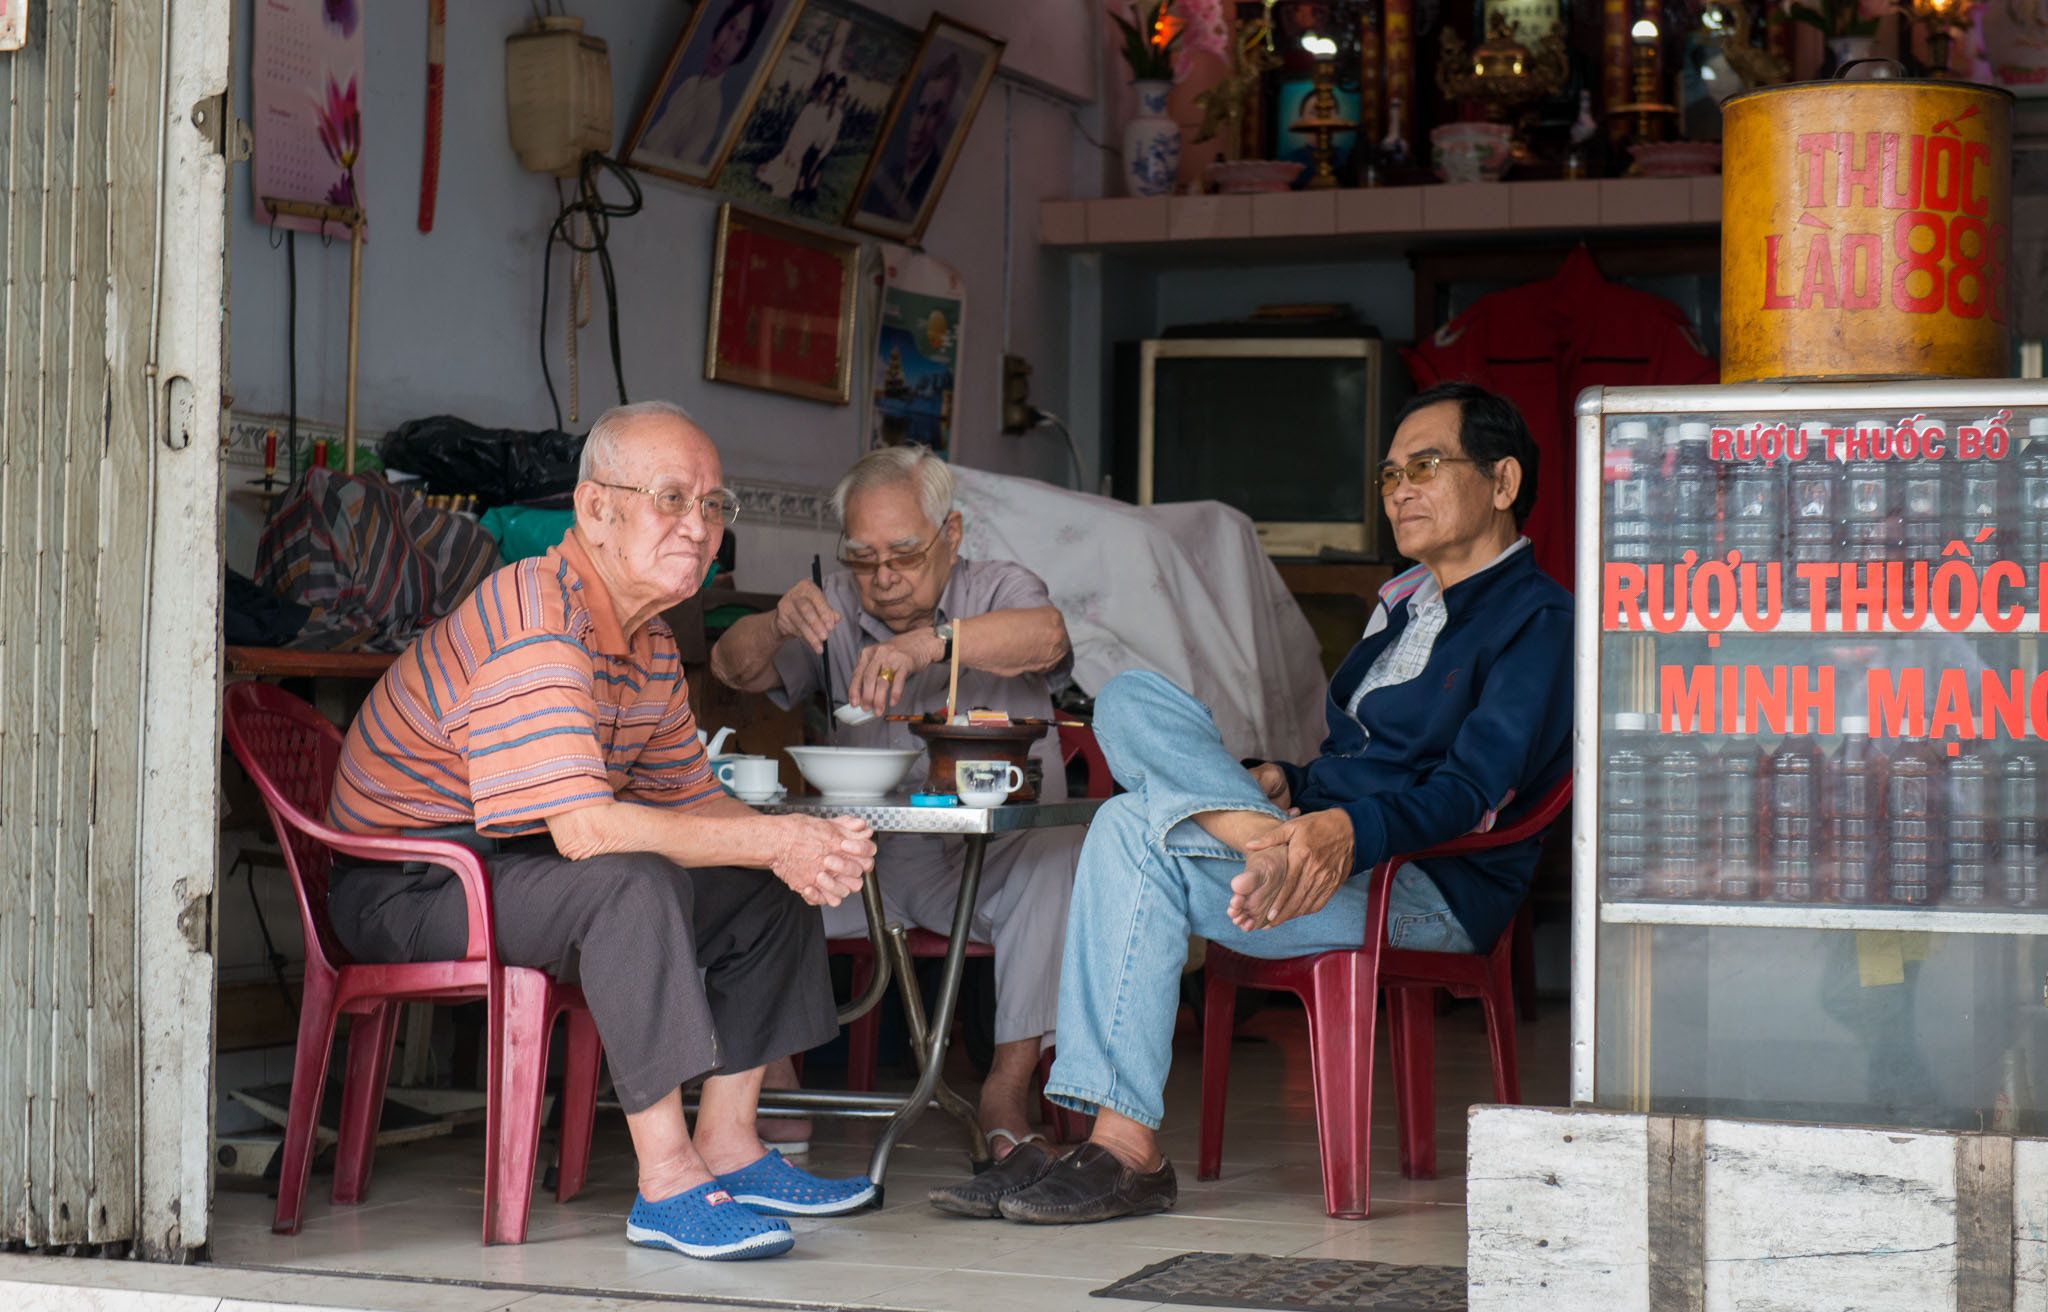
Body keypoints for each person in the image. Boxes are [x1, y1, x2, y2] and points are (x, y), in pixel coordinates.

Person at [951, 381, 1573, 1224]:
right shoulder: (1401, 605)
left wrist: (1345, 829)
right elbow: (1356, 760)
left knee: (1128, 824)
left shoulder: (1539, 620)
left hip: (1422, 885)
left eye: (1425, 466)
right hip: (1312, 854)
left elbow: (1472, 795)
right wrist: (1290, 784)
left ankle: (1125, 1149)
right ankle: (1259, 838)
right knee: (1129, 696)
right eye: (1390, 474)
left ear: (1502, 481)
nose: (1400, 490)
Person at [325, 401, 882, 1261]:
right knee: (634, 883)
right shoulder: (537, 614)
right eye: (672, 498)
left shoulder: (648, 644)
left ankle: (731, 1144)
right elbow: (587, 830)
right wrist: (777, 840)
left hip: (518, 862)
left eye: (713, 505)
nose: (699, 527)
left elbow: (694, 800)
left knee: (766, 886)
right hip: (411, 882)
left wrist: (805, 848)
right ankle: (666, 1181)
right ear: (594, 509)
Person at [709, 446, 1084, 1166]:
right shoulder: (836, 607)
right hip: (867, 862)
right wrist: (778, 621)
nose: (882, 578)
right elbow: (731, 667)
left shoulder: (999, 586)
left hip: (989, 863)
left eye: (904, 555)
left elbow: (1049, 637)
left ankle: (1005, 1094)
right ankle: (776, 1086)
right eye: (863, 558)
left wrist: (929, 644)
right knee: (742, 875)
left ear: (952, 533)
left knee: (1057, 861)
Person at [644, 0, 776, 170]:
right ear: (722, 24)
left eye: (739, 38)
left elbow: (681, 167)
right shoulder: (689, 84)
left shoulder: (711, 108)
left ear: (742, 50)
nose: (725, 45)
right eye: (730, 27)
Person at [858, 52, 962, 224]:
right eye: (921, 110)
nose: (921, 127)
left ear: (943, 118)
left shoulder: (938, 184)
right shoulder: (888, 176)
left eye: (934, 113)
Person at [758, 72, 844, 203]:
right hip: (794, 144)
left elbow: (817, 140)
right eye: (824, 89)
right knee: (770, 171)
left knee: (786, 183)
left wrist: (801, 155)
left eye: (828, 92)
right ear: (820, 89)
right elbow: (795, 130)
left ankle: (797, 182)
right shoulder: (809, 107)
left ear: (831, 96)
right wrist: (789, 149)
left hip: (804, 151)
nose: (824, 94)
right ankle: (771, 167)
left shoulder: (826, 115)